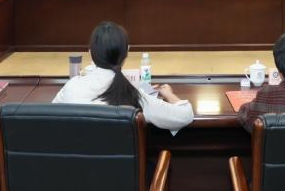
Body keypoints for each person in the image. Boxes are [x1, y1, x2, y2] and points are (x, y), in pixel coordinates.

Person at [53, 21, 194, 130]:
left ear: (90, 53)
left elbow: (49, 116)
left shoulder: (72, 86)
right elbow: (185, 115)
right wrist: (169, 94)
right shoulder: (133, 96)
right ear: (127, 52)